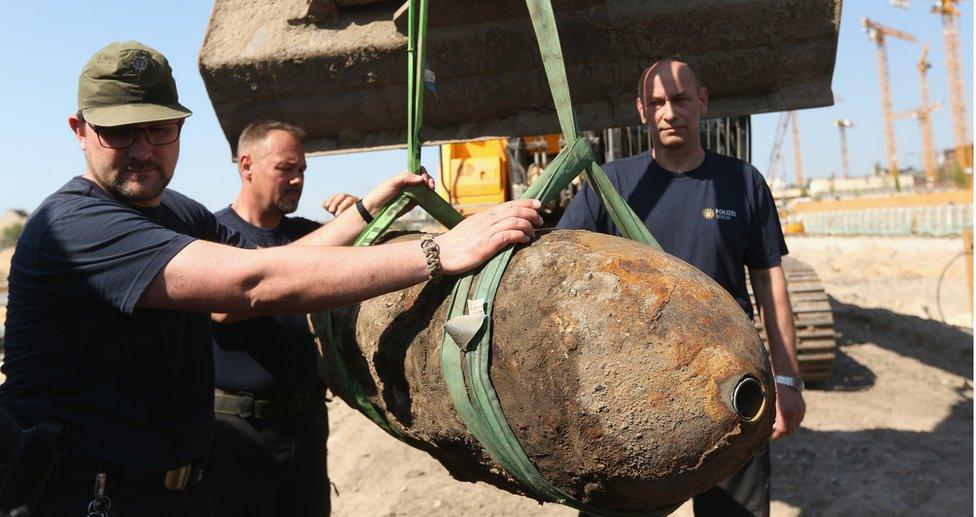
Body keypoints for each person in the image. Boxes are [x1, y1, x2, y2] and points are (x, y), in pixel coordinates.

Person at [0, 41, 541, 516]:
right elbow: (252, 285)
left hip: (176, 490)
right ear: (80, 130)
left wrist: (368, 209)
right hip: (91, 499)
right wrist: (438, 251)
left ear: (179, 128)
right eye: (119, 133)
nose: (143, 149)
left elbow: (285, 259)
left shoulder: (178, 213)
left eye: (157, 129)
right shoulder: (74, 225)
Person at [558, 58, 805, 517]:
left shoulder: (743, 182)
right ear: (641, 111)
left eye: (680, 99)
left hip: (733, 390)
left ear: (703, 102)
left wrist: (787, 380)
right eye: (656, 103)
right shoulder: (609, 186)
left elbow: (771, 284)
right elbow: (560, 270)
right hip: (632, 397)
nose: (669, 112)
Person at [201, 120, 359, 516]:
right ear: (247, 165)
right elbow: (222, 309)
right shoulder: (210, 236)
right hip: (234, 434)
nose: (297, 180)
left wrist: (356, 223)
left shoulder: (306, 235)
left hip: (304, 424)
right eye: (285, 169)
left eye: (302, 170)